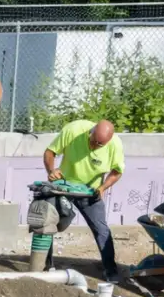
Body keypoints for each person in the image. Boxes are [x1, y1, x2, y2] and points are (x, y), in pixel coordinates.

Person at [43, 119, 125, 281]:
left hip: (90, 191)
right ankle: (47, 265)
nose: (94, 146)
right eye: (93, 141)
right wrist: (51, 170)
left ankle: (110, 270)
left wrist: (102, 188)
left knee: (101, 229)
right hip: (64, 186)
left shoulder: (115, 145)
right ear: (90, 132)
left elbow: (117, 171)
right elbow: (49, 152)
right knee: (48, 223)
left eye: (100, 145)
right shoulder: (74, 130)